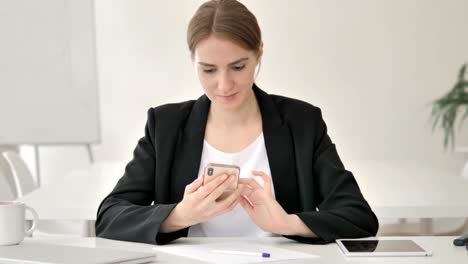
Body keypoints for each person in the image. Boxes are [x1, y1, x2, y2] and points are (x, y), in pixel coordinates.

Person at [95, 0, 378, 245]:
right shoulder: (165, 126)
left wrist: (285, 223)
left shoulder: (302, 122)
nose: (224, 84)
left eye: (238, 67)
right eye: (208, 70)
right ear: (193, 62)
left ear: (259, 55)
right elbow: (109, 217)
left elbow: (358, 216)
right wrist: (180, 215)